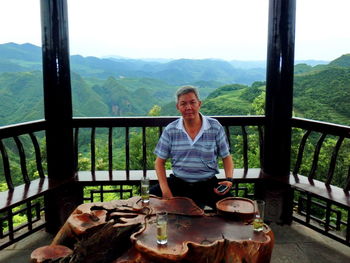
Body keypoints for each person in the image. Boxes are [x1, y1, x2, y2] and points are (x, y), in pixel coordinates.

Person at [150, 85, 234, 209]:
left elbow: (226, 157)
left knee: (232, 209)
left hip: (207, 183)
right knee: (146, 200)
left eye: (192, 102)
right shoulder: (171, 129)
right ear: (178, 107)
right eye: (183, 104)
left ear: (199, 104)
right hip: (179, 183)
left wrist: (229, 179)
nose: (188, 107)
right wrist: (165, 190)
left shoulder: (214, 126)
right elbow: (159, 162)